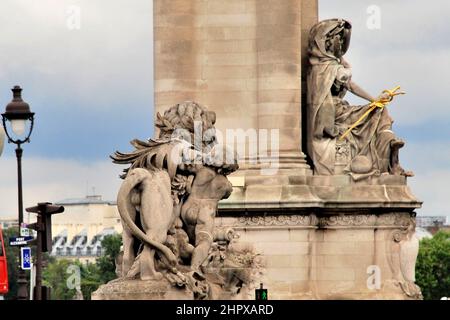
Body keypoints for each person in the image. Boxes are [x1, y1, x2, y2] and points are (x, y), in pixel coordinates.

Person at [307, 19, 412, 177]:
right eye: (338, 39)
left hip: (341, 110)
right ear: (327, 42)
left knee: (382, 111)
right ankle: (387, 164)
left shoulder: (329, 65)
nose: (341, 43)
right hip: (335, 114)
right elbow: (349, 84)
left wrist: (375, 101)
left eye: (342, 40)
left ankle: (392, 163)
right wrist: (374, 100)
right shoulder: (324, 67)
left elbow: (349, 83)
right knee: (379, 112)